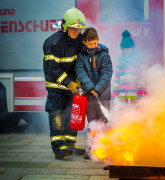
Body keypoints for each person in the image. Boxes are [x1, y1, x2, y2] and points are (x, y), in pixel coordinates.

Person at [43, 7, 87, 159]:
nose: (76, 32)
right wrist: (69, 83)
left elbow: (83, 59)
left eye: (79, 29)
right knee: (57, 115)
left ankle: (69, 145)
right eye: (73, 29)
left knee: (72, 115)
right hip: (57, 88)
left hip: (73, 88)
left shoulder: (79, 40)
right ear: (65, 26)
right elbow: (52, 69)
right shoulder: (53, 44)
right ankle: (58, 148)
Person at [75, 27, 113, 159]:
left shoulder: (104, 55)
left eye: (95, 43)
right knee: (92, 123)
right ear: (84, 42)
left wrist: (97, 89)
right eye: (89, 44)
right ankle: (92, 149)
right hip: (89, 95)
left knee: (104, 123)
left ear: (98, 40)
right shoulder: (81, 56)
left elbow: (106, 74)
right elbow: (81, 72)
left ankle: (107, 149)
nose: (92, 46)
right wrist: (90, 87)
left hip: (103, 95)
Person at [112, 30, 146, 102]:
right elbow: (117, 80)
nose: (126, 51)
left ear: (133, 48)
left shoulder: (139, 61)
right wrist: (115, 95)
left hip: (135, 97)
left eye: (128, 48)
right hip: (123, 97)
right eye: (123, 49)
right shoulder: (120, 62)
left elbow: (142, 79)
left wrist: (141, 94)